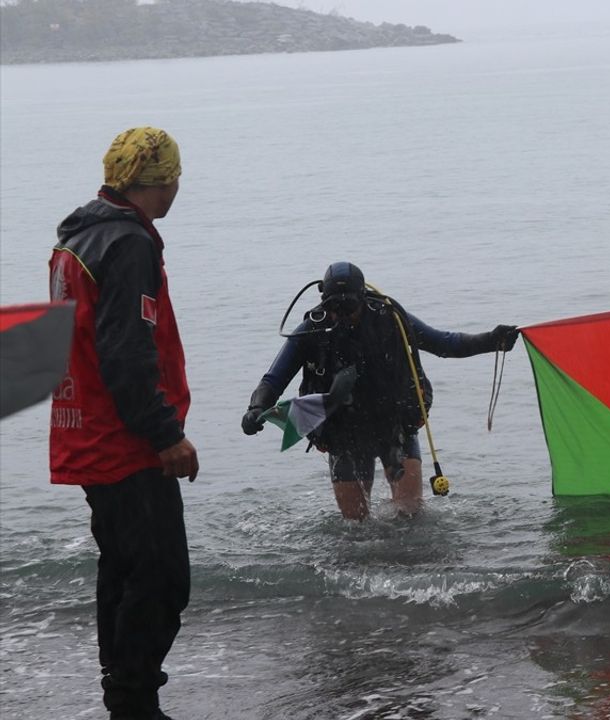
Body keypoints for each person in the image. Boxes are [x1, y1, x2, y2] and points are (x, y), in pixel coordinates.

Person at [49, 127, 199, 720]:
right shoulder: (128, 243)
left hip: (83, 426)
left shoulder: (78, 238)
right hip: (124, 440)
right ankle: (134, 701)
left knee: (121, 567)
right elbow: (126, 352)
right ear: (164, 180)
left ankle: (123, 692)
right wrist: (166, 434)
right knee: (163, 576)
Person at [241, 261, 519, 520]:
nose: (342, 316)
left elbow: (445, 344)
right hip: (343, 433)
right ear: (323, 299)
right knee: (355, 526)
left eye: (349, 306)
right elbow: (274, 379)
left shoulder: (391, 319)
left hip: (394, 425)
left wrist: (493, 340)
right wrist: (256, 408)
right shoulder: (312, 330)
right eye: (334, 307)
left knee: (411, 516)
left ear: (363, 297)